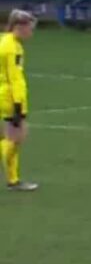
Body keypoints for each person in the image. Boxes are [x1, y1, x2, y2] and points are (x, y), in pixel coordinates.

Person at [0, 10, 38, 192]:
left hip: (4, 94)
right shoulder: (13, 48)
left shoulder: (5, 41)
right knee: (17, 137)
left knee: (11, 137)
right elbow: (14, 78)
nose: (31, 32)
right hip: (10, 97)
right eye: (29, 28)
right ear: (19, 27)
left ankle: (13, 180)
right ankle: (13, 180)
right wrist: (17, 105)